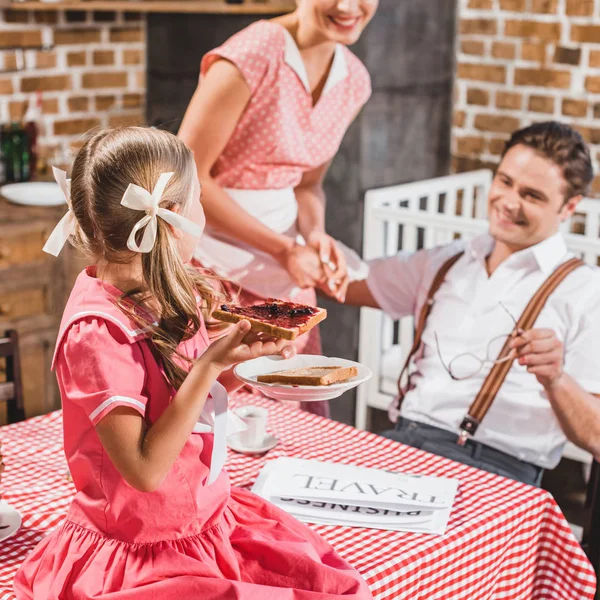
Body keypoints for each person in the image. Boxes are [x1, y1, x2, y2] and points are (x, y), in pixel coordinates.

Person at [14, 127, 373, 600]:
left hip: (207, 517)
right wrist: (207, 366)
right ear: (175, 217)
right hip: (142, 550)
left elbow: (173, 391)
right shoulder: (96, 333)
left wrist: (240, 357)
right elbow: (143, 471)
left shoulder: (165, 289)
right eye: (202, 202)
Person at [344, 122, 600, 487]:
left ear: (569, 206)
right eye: (505, 182)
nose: (509, 202)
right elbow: (347, 282)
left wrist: (556, 379)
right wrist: (295, 248)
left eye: (532, 195)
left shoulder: (587, 291)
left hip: (497, 471)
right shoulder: (448, 261)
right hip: (400, 444)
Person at [178, 0, 379, 416]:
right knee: (211, 419)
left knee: (291, 419)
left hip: (284, 273)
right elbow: (189, 179)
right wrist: (283, 249)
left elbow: (308, 185)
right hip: (212, 270)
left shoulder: (354, 80)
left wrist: (315, 236)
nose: (347, 6)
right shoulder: (253, 54)